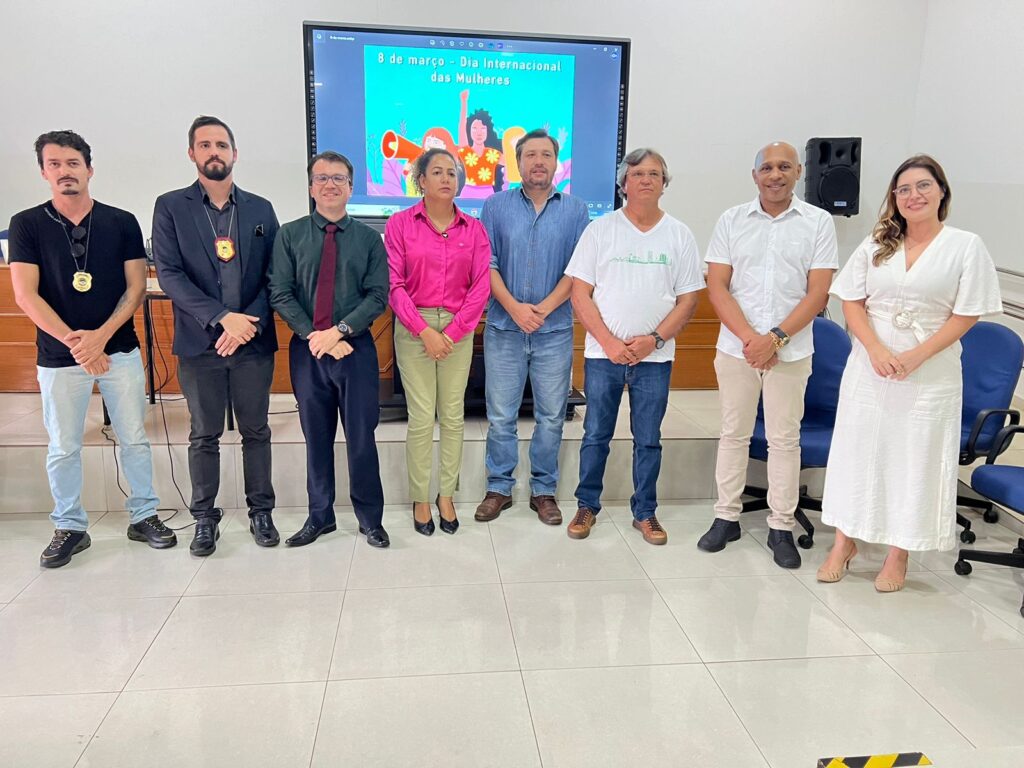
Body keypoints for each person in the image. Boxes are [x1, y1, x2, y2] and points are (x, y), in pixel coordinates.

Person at [818, 154, 1002, 591]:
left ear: (941, 191)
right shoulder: (879, 240)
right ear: (894, 199)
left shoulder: (965, 245)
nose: (913, 195)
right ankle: (845, 541)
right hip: (870, 364)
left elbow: (967, 313)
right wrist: (876, 348)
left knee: (913, 458)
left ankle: (900, 552)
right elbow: (851, 301)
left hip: (930, 370)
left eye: (922, 186)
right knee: (858, 451)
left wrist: (917, 355)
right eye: (903, 189)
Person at [9, 130, 175, 567]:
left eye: (73, 163)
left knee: (134, 438)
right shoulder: (26, 224)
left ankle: (144, 516)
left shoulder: (121, 222)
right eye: (55, 164)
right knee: (63, 445)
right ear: (44, 172)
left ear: (89, 169)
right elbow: (26, 295)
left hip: (118, 348)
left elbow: (137, 287)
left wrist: (100, 338)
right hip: (60, 356)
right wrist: (78, 345)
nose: (65, 172)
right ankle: (69, 525)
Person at [697, 141, 839, 569]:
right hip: (737, 349)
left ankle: (781, 526)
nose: (775, 174)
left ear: (798, 172)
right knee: (733, 434)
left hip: (791, 353)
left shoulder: (818, 222)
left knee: (784, 439)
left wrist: (774, 339)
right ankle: (726, 517)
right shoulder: (731, 220)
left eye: (784, 167)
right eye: (767, 167)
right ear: (754, 174)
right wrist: (750, 339)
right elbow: (718, 286)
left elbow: (819, 292)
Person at [152, 116, 280, 556]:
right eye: (204, 145)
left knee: (256, 431)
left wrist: (246, 323)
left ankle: (261, 511)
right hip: (200, 342)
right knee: (203, 434)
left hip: (253, 342)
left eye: (222, 144)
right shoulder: (171, 206)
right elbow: (169, 274)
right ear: (192, 154)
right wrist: (222, 318)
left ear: (234, 153)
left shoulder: (260, 209)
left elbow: (274, 277)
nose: (214, 152)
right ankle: (204, 519)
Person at [565, 148, 704, 545]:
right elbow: (580, 293)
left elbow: (689, 300)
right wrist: (609, 342)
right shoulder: (600, 230)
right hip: (602, 355)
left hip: (655, 358)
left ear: (664, 184)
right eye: (638, 173)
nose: (645, 179)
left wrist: (654, 340)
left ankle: (645, 512)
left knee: (649, 438)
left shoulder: (679, 234)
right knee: (595, 434)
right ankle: (587, 504)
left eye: (654, 174)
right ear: (623, 183)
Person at [269, 151, 391, 548]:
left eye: (338, 178)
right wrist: (315, 336)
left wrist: (338, 332)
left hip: (355, 351)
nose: (330, 184)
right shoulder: (290, 234)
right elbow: (280, 293)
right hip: (308, 353)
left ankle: (370, 519)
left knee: (361, 437)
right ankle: (319, 517)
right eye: (321, 178)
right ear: (310, 187)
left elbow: (377, 296)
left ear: (351, 188)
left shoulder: (370, 239)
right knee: (316, 437)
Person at [475, 128, 590, 525]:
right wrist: (514, 308)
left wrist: (540, 309)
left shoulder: (575, 210)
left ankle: (543, 491)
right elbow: (485, 264)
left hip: (554, 330)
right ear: (517, 161)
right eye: (530, 155)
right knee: (501, 414)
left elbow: (579, 270)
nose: (538, 161)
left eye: (546, 154)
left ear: (555, 162)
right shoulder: (494, 206)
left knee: (552, 415)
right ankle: (499, 488)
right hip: (505, 328)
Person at [385, 148, 491, 535]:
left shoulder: (474, 229)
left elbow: (480, 287)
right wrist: (425, 331)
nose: (447, 178)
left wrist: (452, 332)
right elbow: (394, 286)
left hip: (458, 331)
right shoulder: (399, 224)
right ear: (422, 180)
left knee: (452, 414)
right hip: (415, 328)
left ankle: (446, 494)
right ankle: (420, 497)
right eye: (438, 172)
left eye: (453, 172)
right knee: (420, 416)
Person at [456, 90, 504, 199]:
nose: (479, 133)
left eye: (483, 128)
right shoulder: (465, 151)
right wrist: (464, 103)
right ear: (469, 131)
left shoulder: (494, 154)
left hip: (488, 194)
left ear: (488, 131)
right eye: (474, 128)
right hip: (468, 193)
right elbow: (461, 126)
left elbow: (513, 166)